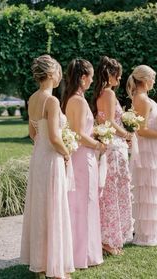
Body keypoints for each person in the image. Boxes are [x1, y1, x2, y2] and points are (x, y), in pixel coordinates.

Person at [20, 54, 74, 279]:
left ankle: (40, 266)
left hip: (38, 158)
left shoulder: (32, 99)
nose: (61, 75)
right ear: (51, 75)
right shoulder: (51, 101)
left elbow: (34, 133)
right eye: (59, 72)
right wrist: (67, 152)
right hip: (50, 159)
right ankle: (52, 265)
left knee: (40, 208)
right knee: (53, 207)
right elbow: (54, 136)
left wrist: (48, 145)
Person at [62, 58, 105, 269]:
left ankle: (81, 252)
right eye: (91, 77)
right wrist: (98, 145)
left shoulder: (73, 99)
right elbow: (79, 134)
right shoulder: (77, 101)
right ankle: (83, 255)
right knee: (83, 204)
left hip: (82, 157)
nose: (92, 81)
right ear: (82, 77)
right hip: (82, 158)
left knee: (80, 204)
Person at [126, 64, 157, 246]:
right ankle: (149, 235)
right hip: (149, 149)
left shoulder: (141, 97)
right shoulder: (143, 100)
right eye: (153, 78)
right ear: (145, 80)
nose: (154, 81)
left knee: (153, 188)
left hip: (152, 148)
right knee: (150, 189)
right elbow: (142, 130)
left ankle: (153, 232)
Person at [92, 56, 134, 255]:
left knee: (109, 193)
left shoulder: (100, 93)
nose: (119, 79)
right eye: (117, 75)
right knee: (112, 194)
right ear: (109, 75)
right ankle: (108, 240)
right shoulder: (108, 94)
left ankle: (108, 237)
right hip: (114, 148)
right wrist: (126, 133)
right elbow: (109, 121)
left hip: (110, 146)